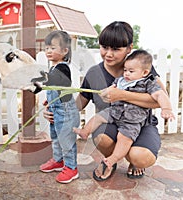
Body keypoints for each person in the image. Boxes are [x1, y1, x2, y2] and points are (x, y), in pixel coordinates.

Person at [43, 21, 166, 181]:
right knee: (101, 135)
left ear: (129, 48)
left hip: (141, 124)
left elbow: (160, 99)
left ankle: (133, 160)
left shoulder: (139, 69)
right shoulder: (94, 73)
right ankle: (111, 160)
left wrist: (122, 95)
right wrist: (56, 108)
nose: (108, 53)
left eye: (116, 49)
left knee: (139, 156)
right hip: (113, 124)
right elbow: (79, 103)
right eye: (104, 47)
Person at [73, 49, 175, 180]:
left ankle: (112, 160)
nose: (126, 73)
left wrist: (166, 108)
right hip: (115, 112)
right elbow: (108, 90)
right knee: (98, 117)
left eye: (130, 71)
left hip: (132, 119)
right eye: (125, 70)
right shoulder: (120, 80)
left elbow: (160, 95)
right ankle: (85, 131)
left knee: (124, 138)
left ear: (144, 72)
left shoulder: (148, 82)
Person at [39, 30, 80, 184]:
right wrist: (48, 102)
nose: (49, 51)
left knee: (66, 140)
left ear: (64, 51)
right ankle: (58, 160)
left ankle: (71, 167)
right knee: (55, 137)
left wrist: (42, 78)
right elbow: (53, 90)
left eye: (53, 48)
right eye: (47, 48)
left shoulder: (63, 68)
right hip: (55, 110)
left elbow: (59, 82)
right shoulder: (52, 68)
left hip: (66, 112)